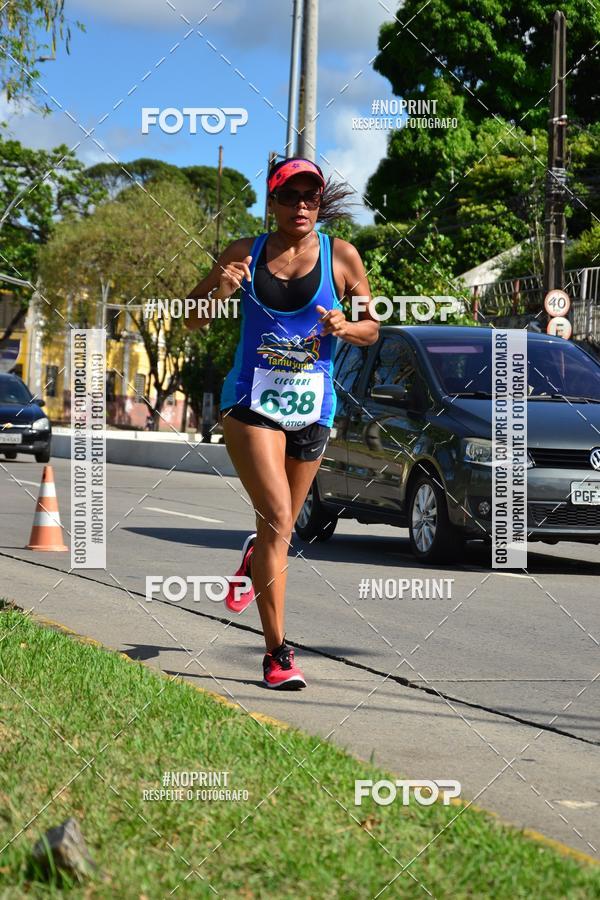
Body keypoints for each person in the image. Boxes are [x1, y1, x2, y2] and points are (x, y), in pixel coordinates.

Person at [186, 156, 379, 689]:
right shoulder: (242, 254)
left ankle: (255, 557)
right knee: (275, 518)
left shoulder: (342, 257)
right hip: (251, 401)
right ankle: (277, 654)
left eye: (310, 198)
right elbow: (192, 318)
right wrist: (219, 290)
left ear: (319, 203)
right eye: (290, 197)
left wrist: (346, 324)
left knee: (280, 530)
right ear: (271, 202)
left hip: (312, 407)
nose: (301, 206)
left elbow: (372, 329)